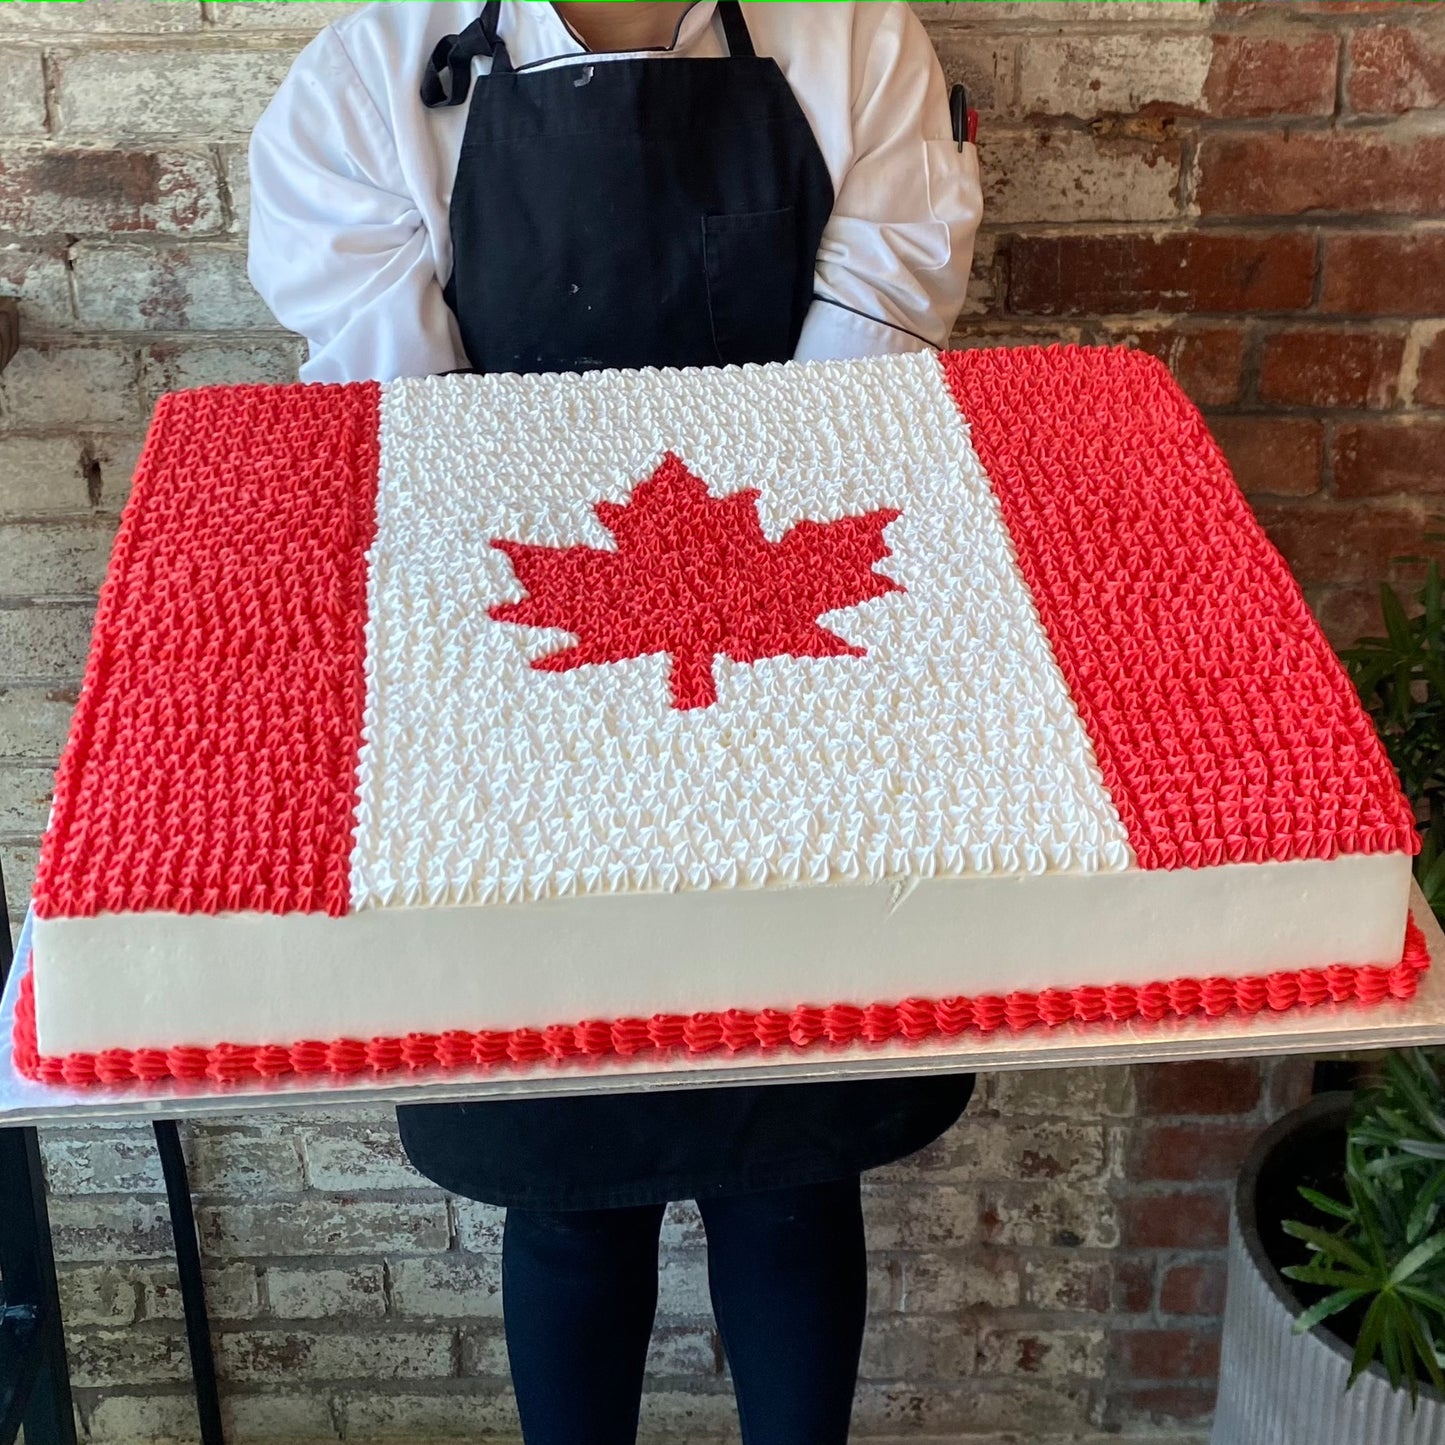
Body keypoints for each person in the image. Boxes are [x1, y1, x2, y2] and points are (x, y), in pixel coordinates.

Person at [248, 5, 983, 1442]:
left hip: (801, 690)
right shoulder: (367, 82)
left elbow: (855, 408)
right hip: (507, 696)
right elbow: (420, 451)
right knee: (566, 1177)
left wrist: (714, 620)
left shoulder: (848, 39)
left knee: (790, 1165)